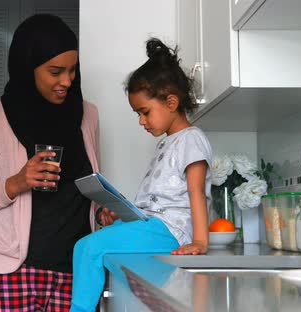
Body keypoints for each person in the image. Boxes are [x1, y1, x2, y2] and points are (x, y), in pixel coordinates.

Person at [0, 14, 101, 311]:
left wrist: (102, 213)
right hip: (8, 276)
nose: (66, 81)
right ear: (28, 68)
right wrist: (16, 183)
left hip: (74, 274)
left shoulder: (87, 115)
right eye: (55, 71)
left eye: (73, 70)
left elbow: (84, 192)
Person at [70, 38, 213, 312]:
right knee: (96, 243)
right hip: (156, 225)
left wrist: (200, 241)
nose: (141, 121)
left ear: (171, 102)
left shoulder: (191, 140)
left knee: (87, 248)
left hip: (171, 231)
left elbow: (197, 193)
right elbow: (165, 197)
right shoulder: (170, 141)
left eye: (145, 112)